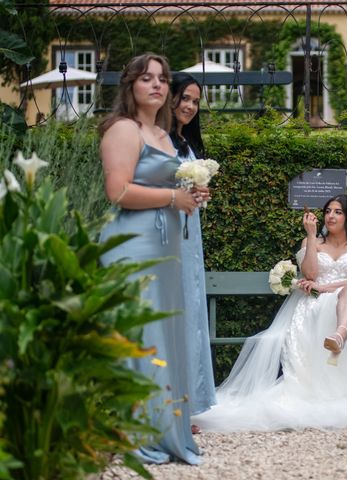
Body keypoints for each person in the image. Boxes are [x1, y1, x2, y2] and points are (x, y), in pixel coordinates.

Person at [192, 194, 347, 432]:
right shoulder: (313, 243)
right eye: (328, 211)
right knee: (331, 301)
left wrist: (325, 288)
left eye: (337, 212)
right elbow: (310, 274)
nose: (330, 216)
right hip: (315, 303)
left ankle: (339, 335)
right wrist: (310, 235)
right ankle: (338, 337)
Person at [98, 53, 209, 465]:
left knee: (165, 336)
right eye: (147, 78)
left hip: (167, 249)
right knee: (140, 337)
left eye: (162, 79)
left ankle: (165, 429)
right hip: (134, 245)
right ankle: (134, 432)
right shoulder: (123, 129)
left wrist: (190, 197)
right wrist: (171, 197)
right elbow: (118, 191)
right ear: (131, 85)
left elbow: (170, 189)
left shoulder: (162, 134)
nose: (157, 85)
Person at [169, 72, 217, 422]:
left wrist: (200, 195)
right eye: (184, 98)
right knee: (174, 310)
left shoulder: (188, 143)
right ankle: (170, 404)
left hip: (190, 233)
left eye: (195, 101)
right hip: (167, 232)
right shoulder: (160, 141)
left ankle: (188, 403)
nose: (189, 106)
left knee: (191, 309)